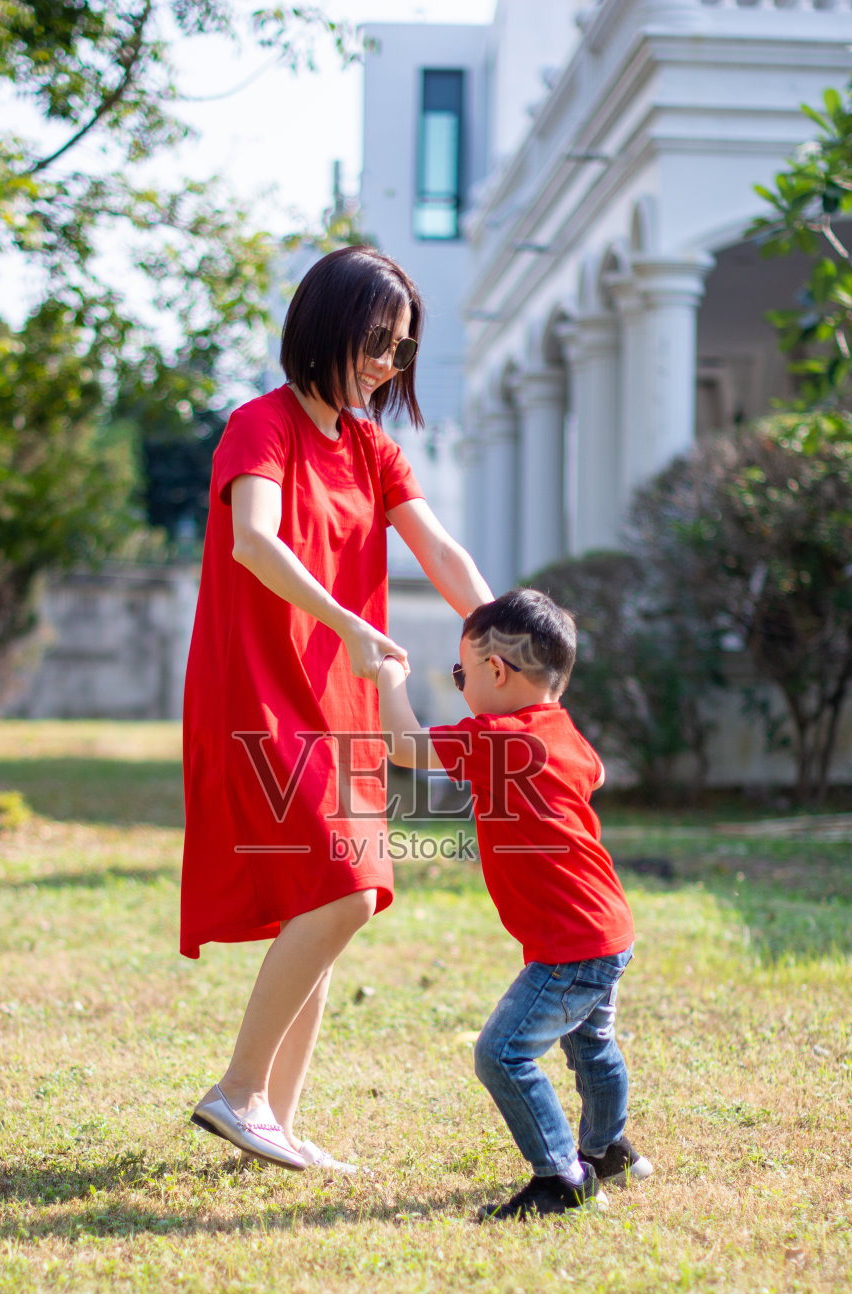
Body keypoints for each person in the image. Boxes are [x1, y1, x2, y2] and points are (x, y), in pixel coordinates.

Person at [183, 247, 492, 1172]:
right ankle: (237, 1093)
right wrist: (352, 623)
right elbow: (253, 541)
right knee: (351, 887)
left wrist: (507, 637)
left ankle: (271, 1119)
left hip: (342, 700)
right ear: (323, 327)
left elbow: (438, 551)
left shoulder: (371, 447)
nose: (385, 365)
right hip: (262, 695)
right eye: (374, 341)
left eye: (399, 351)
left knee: (321, 901)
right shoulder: (260, 426)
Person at [376, 588, 653, 1220]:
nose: (462, 686)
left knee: (501, 1052)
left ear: (495, 671)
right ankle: (609, 1150)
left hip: (570, 945)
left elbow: (403, 746)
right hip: (607, 927)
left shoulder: (497, 738)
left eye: (460, 673)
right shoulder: (565, 734)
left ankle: (563, 1178)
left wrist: (390, 679)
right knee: (593, 1046)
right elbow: (595, 776)